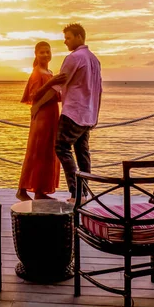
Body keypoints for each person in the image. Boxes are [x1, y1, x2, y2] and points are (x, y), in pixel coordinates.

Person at [38, 24, 102, 203]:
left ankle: (76, 194)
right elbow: (98, 90)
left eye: (68, 38)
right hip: (88, 114)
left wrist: (38, 104)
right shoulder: (94, 60)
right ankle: (84, 193)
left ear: (80, 37)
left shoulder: (74, 58)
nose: (65, 41)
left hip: (74, 112)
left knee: (62, 147)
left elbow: (57, 85)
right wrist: (95, 115)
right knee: (82, 152)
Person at [16, 41, 66, 201]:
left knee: (47, 153)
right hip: (42, 117)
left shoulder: (49, 71)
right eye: (42, 52)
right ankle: (22, 190)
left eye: (47, 52)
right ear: (36, 55)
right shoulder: (37, 73)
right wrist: (52, 82)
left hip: (51, 116)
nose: (45, 55)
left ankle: (40, 191)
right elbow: (34, 95)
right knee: (37, 151)